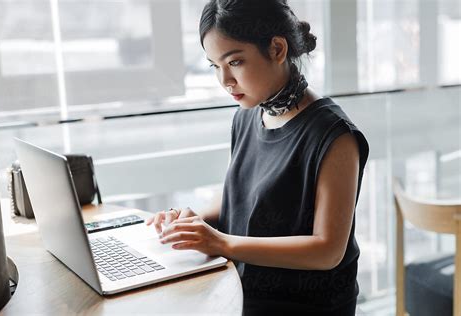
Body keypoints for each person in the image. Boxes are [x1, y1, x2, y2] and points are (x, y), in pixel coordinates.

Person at [145, 0, 369, 315]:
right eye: (214, 66)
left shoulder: (334, 135)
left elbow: (327, 250)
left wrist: (221, 243)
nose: (224, 80)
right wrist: (190, 221)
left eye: (234, 62)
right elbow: (237, 196)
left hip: (304, 307)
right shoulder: (248, 115)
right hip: (242, 290)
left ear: (277, 49)